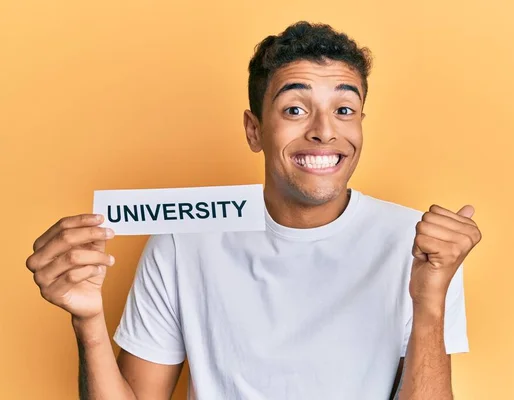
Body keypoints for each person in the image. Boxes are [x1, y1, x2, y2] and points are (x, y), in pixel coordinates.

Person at [25, 21, 482, 400]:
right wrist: (86, 321)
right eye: (295, 109)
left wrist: (430, 302)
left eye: (344, 108)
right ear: (254, 130)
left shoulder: (420, 245)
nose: (325, 131)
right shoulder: (183, 238)